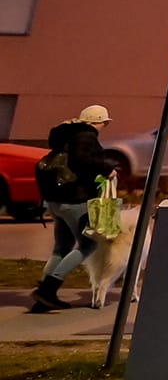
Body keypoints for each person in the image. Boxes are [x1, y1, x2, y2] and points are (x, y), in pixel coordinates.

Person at [29, 105, 115, 313]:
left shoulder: (66, 134)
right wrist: (106, 169)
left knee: (62, 247)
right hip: (75, 199)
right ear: (98, 121)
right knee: (88, 244)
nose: (104, 126)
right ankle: (48, 290)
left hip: (56, 200)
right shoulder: (86, 136)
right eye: (104, 123)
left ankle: (43, 297)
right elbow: (81, 161)